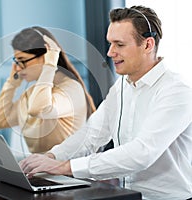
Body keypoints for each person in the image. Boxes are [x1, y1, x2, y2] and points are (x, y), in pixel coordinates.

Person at [19, 6, 192, 200]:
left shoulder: (176, 91)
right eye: (110, 43)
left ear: (147, 45)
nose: (110, 52)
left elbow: (142, 152)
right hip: (128, 195)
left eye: (119, 44)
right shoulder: (122, 87)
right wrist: (52, 156)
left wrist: (65, 167)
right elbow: (92, 133)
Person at [0, 26, 96, 153]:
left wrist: (50, 65)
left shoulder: (71, 90)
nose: (18, 68)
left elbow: (39, 109)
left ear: (46, 56)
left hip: (62, 171)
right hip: (38, 170)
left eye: (23, 61)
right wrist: (12, 83)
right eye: (17, 62)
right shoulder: (34, 92)